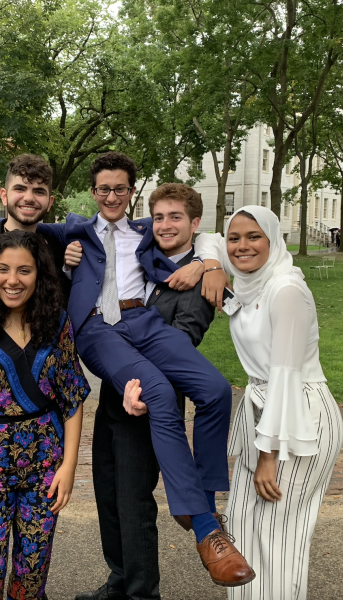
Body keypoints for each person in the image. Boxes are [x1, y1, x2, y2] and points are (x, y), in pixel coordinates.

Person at [0, 152, 253, 587]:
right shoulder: (72, 228)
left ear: (131, 191)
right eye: (103, 188)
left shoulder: (145, 230)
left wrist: (209, 262)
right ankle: (204, 528)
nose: (111, 195)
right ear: (93, 191)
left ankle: (203, 499)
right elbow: (16, 221)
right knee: (157, 392)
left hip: (144, 320)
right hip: (96, 326)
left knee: (216, 389)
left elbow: (203, 233)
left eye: (120, 188)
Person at [169, 206, 343, 600]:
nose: (242, 246)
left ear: (273, 239)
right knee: (245, 530)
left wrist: (269, 453)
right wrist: (211, 264)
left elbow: (286, 375)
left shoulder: (286, 290)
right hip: (262, 412)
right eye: (235, 238)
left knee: (278, 539)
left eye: (254, 237)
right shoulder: (248, 286)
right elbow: (206, 238)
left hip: (295, 418)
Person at [77, 184, 216, 600]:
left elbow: (184, 340)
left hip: (150, 406)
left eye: (177, 218)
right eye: (160, 217)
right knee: (107, 492)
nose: (166, 225)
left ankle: (141, 593)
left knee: (134, 500)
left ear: (194, 224)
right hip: (116, 395)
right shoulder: (140, 247)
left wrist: (208, 262)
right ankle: (119, 580)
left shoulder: (200, 279)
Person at [0, 231, 89, 599]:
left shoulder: (57, 324)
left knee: (32, 574)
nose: (12, 280)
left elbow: (72, 396)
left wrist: (69, 465)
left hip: (45, 464)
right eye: (3, 269)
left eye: (24, 270)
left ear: (39, 274)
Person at [0, 154, 71, 303]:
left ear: (50, 202)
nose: (29, 198)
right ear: (4, 197)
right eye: (20, 189)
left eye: (39, 191)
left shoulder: (59, 248)